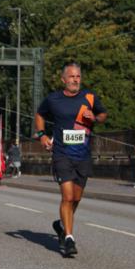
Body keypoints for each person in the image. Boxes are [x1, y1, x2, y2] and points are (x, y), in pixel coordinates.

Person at [34, 62, 107, 258]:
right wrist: (42, 135)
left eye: (78, 76)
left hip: (83, 155)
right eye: (72, 76)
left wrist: (95, 117)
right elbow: (40, 114)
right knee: (67, 196)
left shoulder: (89, 97)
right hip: (62, 154)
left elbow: (103, 115)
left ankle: (60, 225)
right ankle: (68, 238)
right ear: (63, 79)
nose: (76, 80)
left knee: (76, 198)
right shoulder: (53, 99)